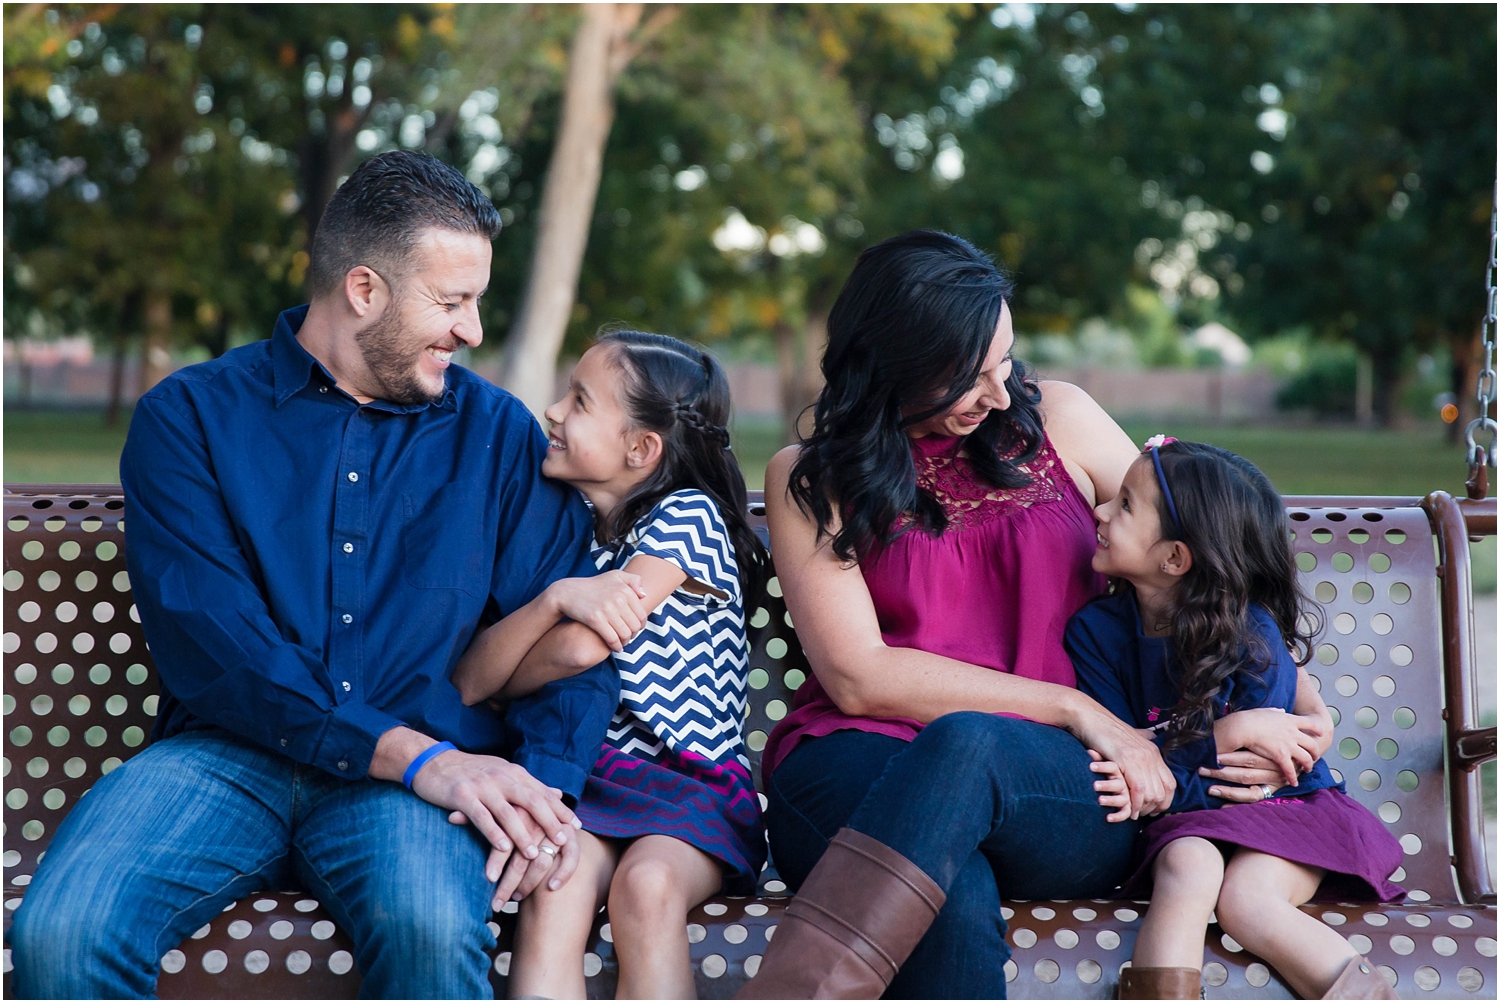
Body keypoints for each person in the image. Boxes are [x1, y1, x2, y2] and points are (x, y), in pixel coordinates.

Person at [8, 151, 616, 999]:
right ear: (364, 291)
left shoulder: (500, 437)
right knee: (63, 932)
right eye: (452, 303)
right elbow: (220, 647)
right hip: (228, 756)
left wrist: (542, 794)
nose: (474, 332)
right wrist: (411, 756)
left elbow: (564, 628)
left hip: (419, 786)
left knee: (433, 934)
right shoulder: (189, 420)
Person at [738, 230, 1334, 1000]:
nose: (997, 391)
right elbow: (858, 675)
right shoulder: (811, 478)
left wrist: (1296, 697)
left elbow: (1204, 547)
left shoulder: (1061, 418)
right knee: (952, 890)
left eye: (1005, 360)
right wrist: (1076, 707)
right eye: (967, 376)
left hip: (1066, 783)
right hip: (855, 762)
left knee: (968, 748)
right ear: (893, 366)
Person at [452, 330, 769, 1000]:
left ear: (640, 448)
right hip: (593, 785)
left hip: (695, 785)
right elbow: (470, 679)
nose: (555, 412)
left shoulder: (687, 518)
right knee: (554, 884)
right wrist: (557, 598)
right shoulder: (568, 537)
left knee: (646, 887)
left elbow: (581, 649)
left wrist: (527, 651)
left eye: (581, 400)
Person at [1068, 437, 1403, 1000]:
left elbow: (1258, 775)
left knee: (1248, 902)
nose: (1099, 512)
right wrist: (1222, 736)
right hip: (1184, 824)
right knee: (1188, 867)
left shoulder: (1252, 637)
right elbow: (1124, 752)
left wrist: (1179, 754)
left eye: (1124, 505)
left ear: (1174, 558)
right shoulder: (1096, 633)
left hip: (1283, 815)